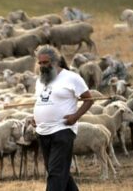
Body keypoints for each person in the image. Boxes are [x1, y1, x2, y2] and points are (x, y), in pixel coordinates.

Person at [33, 45, 94, 191]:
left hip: (63, 130)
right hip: (43, 131)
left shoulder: (71, 77)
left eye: (45, 62)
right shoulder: (40, 80)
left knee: (55, 174)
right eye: (40, 63)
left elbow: (89, 99)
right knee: (59, 172)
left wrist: (75, 116)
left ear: (55, 61)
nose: (42, 66)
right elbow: (40, 101)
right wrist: (35, 116)